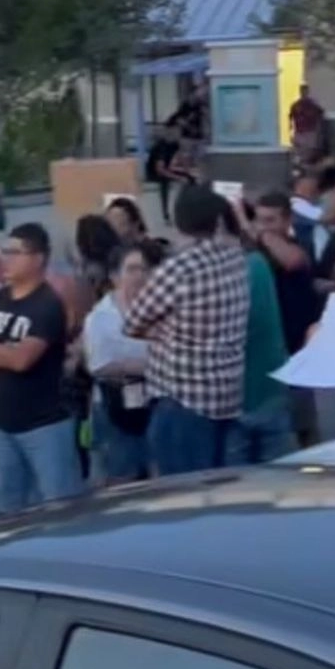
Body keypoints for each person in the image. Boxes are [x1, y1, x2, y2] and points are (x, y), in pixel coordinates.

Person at [125, 185, 250, 474]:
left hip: (182, 399)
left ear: (177, 220)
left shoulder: (177, 269)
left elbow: (133, 322)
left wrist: (164, 332)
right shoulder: (235, 258)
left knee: (180, 497)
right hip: (226, 396)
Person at [0, 223, 81, 512]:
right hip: (1, 424)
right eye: (5, 251)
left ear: (38, 258)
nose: (5, 258)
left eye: (15, 252)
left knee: (60, 509)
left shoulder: (47, 304)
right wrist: (2, 352)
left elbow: (22, 361)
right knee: (8, 510)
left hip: (44, 426)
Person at [218, 201, 294, 464]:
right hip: (272, 392)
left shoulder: (227, 273)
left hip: (238, 400)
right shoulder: (258, 264)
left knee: (238, 492)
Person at [83, 241, 162, 484]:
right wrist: (152, 366)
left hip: (155, 404)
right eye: (132, 269)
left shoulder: (159, 309)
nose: (140, 276)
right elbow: (100, 365)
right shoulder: (100, 317)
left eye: (144, 269)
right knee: (123, 481)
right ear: (115, 277)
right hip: (114, 409)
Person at [251, 191, 321, 354]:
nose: (263, 226)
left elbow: (293, 261)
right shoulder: (255, 251)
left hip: (294, 339)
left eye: (269, 221)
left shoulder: (299, 247)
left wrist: (260, 233)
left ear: (288, 220)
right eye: (259, 220)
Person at [146, 123, 193, 226]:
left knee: (190, 179)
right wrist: (178, 177)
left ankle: (189, 208)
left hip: (166, 169)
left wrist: (187, 172)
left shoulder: (175, 144)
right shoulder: (161, 146)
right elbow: (160, 170)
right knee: (164, 182)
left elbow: (180, 158)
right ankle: (166, 215)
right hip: (154, 173)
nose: (178, 136)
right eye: (175, 133)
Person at [289, 166, 330, 263]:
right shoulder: (297, 206)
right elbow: (327, 217)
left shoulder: (314, 205)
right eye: (312, 179)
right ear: (299, 184)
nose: (316, 184)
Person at [287, 83, 326, 163]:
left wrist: (319, 129)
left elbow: (321, 114)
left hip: (310, 130)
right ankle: (302, 167)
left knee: (309, 150)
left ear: (307, 92)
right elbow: (291, 117)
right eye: (302, 91)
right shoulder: (296, 105)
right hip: (300, 131)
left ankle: (307, 166)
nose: (303, 93)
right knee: (301, 151)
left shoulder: (313, 105)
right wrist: (290, 128)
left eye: (305, 91)